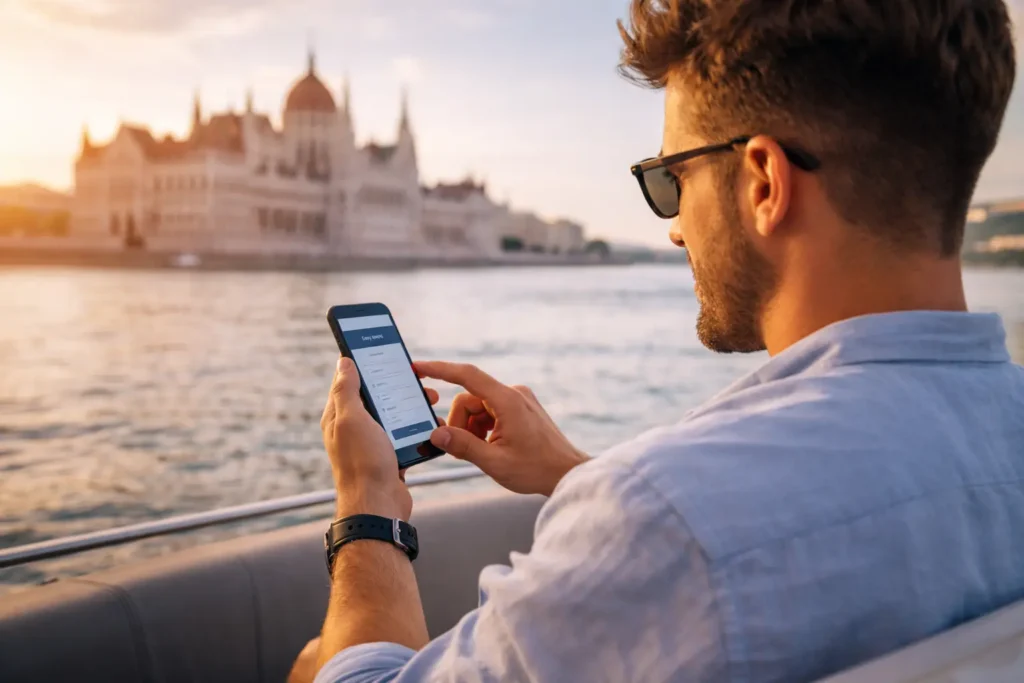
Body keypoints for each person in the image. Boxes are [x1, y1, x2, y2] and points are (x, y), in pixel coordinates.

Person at [300, 1, 1024, 681]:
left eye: (672, 179)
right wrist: (576, 474)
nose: (673, 227)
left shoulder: (663, 525)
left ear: (764, 183)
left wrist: (367, 501)